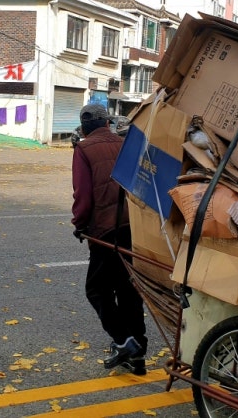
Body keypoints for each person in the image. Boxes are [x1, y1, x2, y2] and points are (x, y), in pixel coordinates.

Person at [71, 104, 148, 375]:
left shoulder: (83, 149)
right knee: (128, 292)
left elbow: (83, 196)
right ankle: (138, 355)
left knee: (97, 290)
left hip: (105, 229)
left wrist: (80, 225)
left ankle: (124, 341)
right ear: (108, 123)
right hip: (132, 227)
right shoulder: (124, 144)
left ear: (83, 126)